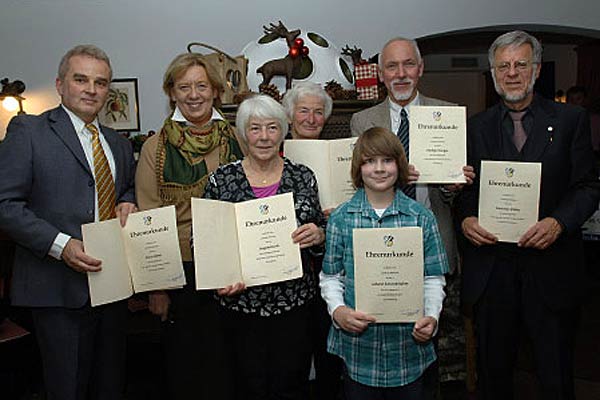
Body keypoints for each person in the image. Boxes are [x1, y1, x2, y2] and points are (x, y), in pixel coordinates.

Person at [456, 30, 600, 400]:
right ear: (493, 73)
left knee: (555, 376)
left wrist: (559, 222)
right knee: (494, 376)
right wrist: (466, 218)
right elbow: (462, 190)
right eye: (503, 66)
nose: (513, 73)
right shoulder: (474, 127)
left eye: (521, 64)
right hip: (493, 272)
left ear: (536, 70)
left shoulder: (571, 120)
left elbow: (588, 186)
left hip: (551, 269)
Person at [0, 45, 136, 400]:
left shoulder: (118, 144)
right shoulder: (29, 130)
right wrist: (61, 246)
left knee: (110, 387)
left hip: (113, 290)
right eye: (81, 79)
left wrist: (127, 201)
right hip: (57, 289)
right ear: (60, 84)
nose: (92, 89)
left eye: (101, 82)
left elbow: (126, 188)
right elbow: (5, 205)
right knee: (67, 389)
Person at [350, 36, 474, 386]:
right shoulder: (362, 121)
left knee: (443, 352)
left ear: (420, 69)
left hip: (436, 245)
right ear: (380, 74)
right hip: (381, 250)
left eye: (408, 65)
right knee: (389, 346)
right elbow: (359, 185)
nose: (400, 74)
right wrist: (393, 177)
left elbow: (454, 197)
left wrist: (452, 186)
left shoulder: (447, 115)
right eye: (392, 66)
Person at [135, 52, 243, 400]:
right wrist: (157, 287)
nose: (194, 95)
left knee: (233, 365)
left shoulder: (237, 138)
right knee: (187, 369)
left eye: (201, 86)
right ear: (172, 93)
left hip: (234, 269)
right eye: (184, 87)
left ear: (215, 90)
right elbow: (147, 216)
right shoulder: (156, 147)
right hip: (181, 274)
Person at [203, 94, 325, 400]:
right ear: (244, 134)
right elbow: (203, 241)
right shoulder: (221, 180)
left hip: (294, 306)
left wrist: (319, 236)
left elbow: (320, 231)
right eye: (255, 128)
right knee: (245, 387)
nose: (264, 137)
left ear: (283, 131)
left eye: (272, 128)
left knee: (292, 386)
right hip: (241, 306)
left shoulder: (303, 176)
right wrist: (219, 279)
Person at [320, 126, 449, 399]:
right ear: (358, 168)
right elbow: (331, 277)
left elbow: (433, 277)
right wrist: (339, 311)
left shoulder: (421, 217)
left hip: (408, 350)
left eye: (387, 160)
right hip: (359, 353)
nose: (379, 169)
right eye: (369, 161)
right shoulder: (341, 219)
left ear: (399, 165)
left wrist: (432, 316)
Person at [282, 82, 343, 400]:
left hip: (331, 268)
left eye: (318, 112)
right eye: (303, 110)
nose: (311, 118)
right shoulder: (272, 156)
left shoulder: (342, 156)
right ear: (289, 115)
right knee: (292, 355)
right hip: (289, 273)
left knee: (328, 349)